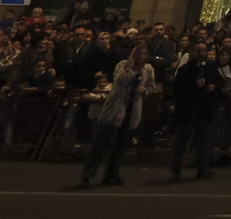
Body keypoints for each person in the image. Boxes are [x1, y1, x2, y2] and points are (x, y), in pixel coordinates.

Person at [81, 43, 156, 187]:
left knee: (120, 145)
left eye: (144, 54)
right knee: (101, 141)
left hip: (132, 108)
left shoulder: (148, 69)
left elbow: (151, 86)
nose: (141, 57)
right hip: (116, 107)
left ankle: (112, 174)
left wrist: (144, 91)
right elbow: (119, 80)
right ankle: (87, 174)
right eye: (138, 53)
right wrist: (132, 70)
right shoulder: (123, 65)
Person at [171, 42, 217, 181]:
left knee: (203, 141)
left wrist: (213, 86)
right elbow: (178, 89)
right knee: (181, 140)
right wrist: (194, 84)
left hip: (204, 109)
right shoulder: (185, 69)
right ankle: (176, 168)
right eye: (198, 50)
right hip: (187, 110)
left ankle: (203, 168)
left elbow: (219, 81)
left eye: (204, 50)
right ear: (193, 52)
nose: (201, 53)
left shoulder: (211, 66)